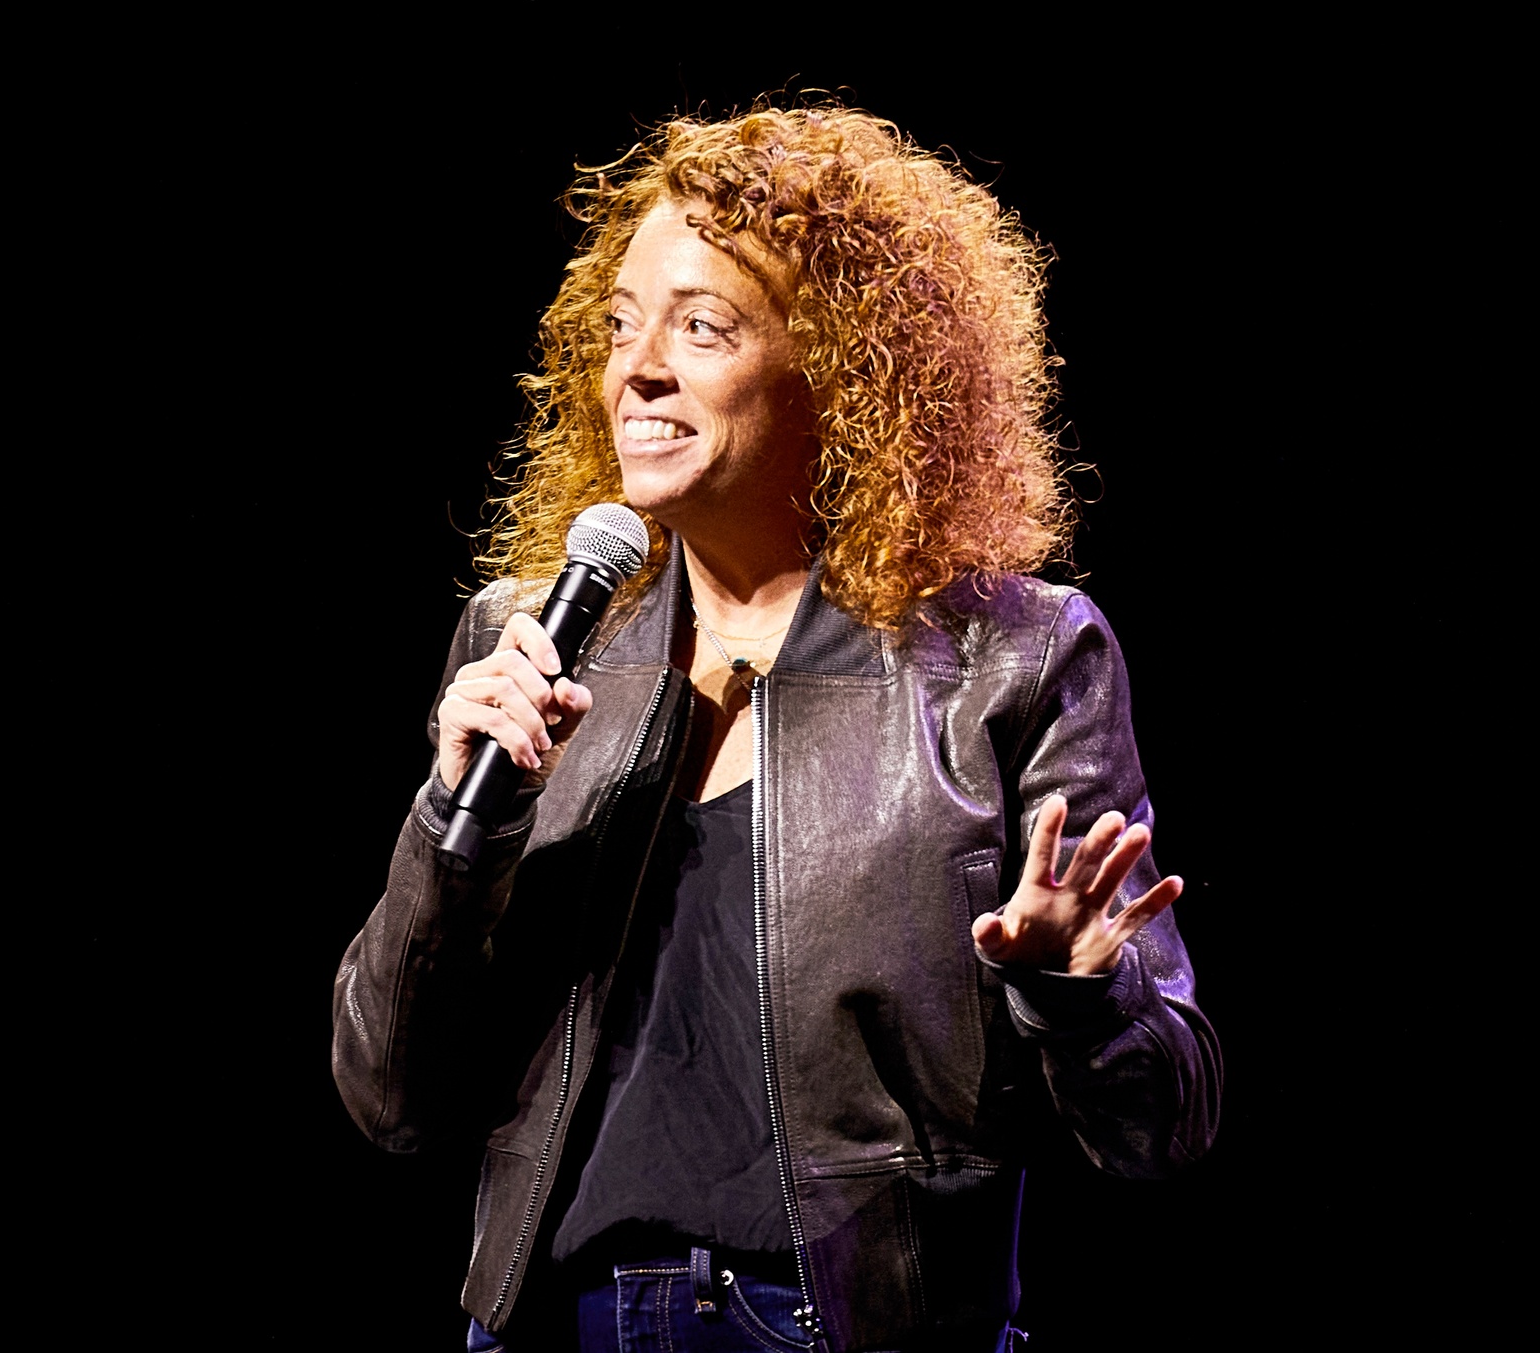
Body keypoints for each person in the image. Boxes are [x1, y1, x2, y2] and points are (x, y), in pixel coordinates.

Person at [332, 106, 1220, 1353]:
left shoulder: (1008, 658)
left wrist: (1078, 997)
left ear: (842, 371)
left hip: (843, 1324)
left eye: (700, 325)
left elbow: (1160, 1125)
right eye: (620, 323)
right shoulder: (527, 639)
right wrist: (453, 829)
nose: (637, 366)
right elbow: (389, 1098)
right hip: (546, 1322)